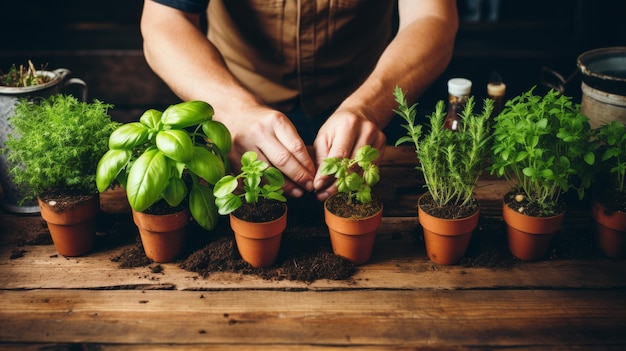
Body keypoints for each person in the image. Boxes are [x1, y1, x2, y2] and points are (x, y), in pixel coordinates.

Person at [140, 0, 458, 201]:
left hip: (364, 103)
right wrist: (233, 109)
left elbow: (432, 18)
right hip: (236, 108)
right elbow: (164, 21)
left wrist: (369, 106)